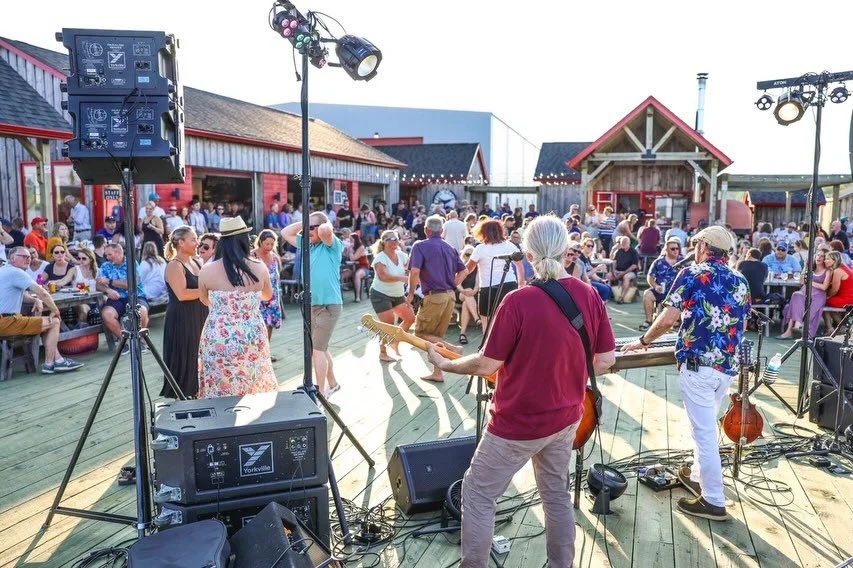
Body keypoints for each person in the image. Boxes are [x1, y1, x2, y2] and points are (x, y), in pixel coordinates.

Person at [425, 215, 616, 568]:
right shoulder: (587, 294)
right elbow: (605, 360)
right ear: (566, 251)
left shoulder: (517, 301)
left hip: (516, 424)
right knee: (556, 496)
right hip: (566, 418)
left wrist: (444, 363)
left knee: (478, 494)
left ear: (526, 253)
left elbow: (486, 365)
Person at [622, 225, 749, 522]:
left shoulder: (693, 273)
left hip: (698, 366)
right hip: (725, 367)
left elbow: (667, 318)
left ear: (704, 246)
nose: (693, 249)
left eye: (695, 244)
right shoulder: (740, 279)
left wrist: (642, 342)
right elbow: (741, 323)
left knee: (704, 434)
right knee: (703, 428)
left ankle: (714, 500)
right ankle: (696, 476)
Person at [198, 217, 278, 397]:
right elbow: (267, 296)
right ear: (244, 240)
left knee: (219, 389)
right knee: (252, 388)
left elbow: (204, 300)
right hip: (251, 334)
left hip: (218, 335)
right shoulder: (259, 267)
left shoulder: (207, 270)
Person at [281, 212, 343, 397]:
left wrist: (320, 224)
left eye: (311, 228)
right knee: (319, 348)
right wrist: (307, 223)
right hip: (311, 304)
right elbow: (285, 232)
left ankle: (321, 392)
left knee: (317, 350)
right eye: (306, 228)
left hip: (328, 305)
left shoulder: (331, 245)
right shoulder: (308, 244)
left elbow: (325, 230)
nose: (307, 231)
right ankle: (333, 383)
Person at [0, 247, 84, 373]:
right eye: (24, 256)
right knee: (55, 321)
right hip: (7, 322)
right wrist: (55, 310)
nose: (28, 259)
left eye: (29, 256)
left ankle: (58, 359)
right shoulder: (15, 272)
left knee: (46, 323)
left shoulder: (4, 271)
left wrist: (35, 300)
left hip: (8, 320)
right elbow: (42, 292)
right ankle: (49, 364)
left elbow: (23, 295)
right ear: (12, 258)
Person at [407, 215, 467, 382]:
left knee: (420, 333)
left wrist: (411, 294)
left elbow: (414, 272)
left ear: (426, 230)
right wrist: (451, 285)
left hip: (434, 297)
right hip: (450, 297)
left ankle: (454, 349)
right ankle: (438, 373)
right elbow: (464, 271)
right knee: (436, 336)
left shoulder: (420, 246)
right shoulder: (451, 248)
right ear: (441, 231)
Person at [161, 226, 208, 398]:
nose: (197, 243)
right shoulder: (174, 265)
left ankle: (197, 390)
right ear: (181, 243)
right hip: (182, 317)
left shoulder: (196, 261)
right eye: (193, 239)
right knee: (186, 353)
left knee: (198, 352)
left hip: (199, 313)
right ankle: (183, 392)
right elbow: (181, 294)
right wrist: (207, 291)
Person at [466, 219, 525, 334]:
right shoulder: (510, 245)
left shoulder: (480, 249)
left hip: (488, 288)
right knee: (508, 320)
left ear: (483, 232)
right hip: (509, 285)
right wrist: (520, 284)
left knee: (486, 322)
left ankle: (486, 348)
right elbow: (520, 266)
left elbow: (468, 269)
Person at [369, 230, 416, 361]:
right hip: (380, 294)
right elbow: (382, 276)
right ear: (385, 241)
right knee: (388, 325)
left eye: (397, 238)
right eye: (393, 238)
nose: (397, 240)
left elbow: (411, 268)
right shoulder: (380, 257)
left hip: (397, 294)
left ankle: (394, 340)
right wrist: (403, 278)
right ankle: (383, 352)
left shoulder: (401, 255)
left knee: (410, 318)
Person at [96, 243, 151, 355]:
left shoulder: (131, 263)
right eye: (106, 254)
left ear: (119, 253)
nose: (107, 257)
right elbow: (98, 285)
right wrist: (108, 290)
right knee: (107, 314)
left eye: (109, 254)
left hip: (135, 295)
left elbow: (132, 283)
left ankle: (139, 341)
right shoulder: (105, 265)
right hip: (116, 298)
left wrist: (109, 281)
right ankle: (125, 342)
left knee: (141, 312)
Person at [778, 250, 832, 339]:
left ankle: (791, 329)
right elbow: (801, 281)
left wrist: (810, 282)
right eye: (818, 255)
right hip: (805, 292)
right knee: (795, 296)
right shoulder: (811, 268)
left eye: (822, 256)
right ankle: (795, 326)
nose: (819, 257)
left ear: (824, 258)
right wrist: (806, 267)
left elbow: (824, 287)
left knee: (794, 299)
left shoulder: (827, 271)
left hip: (818, 295)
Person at [639, 237, 683, 330]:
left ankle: (677, 322)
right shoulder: (658, 262)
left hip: (677, 292)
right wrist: (655, 286)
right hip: (661, 290)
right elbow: (650, 277)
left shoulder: (683, 261)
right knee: (647, 294)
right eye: (672, 249)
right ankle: (649, 320)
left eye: (677, 248)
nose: (675, 251)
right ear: (666, 250)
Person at [253, 229, 283, 356]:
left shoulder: (274, 257)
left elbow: (277, 275)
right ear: (260, 242)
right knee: (258, 325)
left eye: (272, 244)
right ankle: (256, 353)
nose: (269, 247)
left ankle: (266, 352)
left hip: (272, 296)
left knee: (270, 325)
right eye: (267, 244)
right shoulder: (252, 256)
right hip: (257, 296)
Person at [611, 236, 639, 304]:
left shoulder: (633, 252)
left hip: (630, 272)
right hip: (618, 270)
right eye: (622, 242)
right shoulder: (618, 251)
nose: (623, 244)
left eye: (625, 242)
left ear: (629, 243)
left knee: (626, 277)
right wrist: (613, 271)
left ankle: (621, 297)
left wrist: (623, 273)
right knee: (608, 276)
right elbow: (614, 261)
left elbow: (634, 266)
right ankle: (609, 296)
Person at [349, 233, 370, 303]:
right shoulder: (352, 247)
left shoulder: (361, 247)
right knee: (341, 274)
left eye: (351, 240)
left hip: (364, 268)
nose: (350, 242)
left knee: (357, 275)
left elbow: (353, 258)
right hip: (353, 267)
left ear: (355, 240)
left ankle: (357, 297)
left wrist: (350, 249)